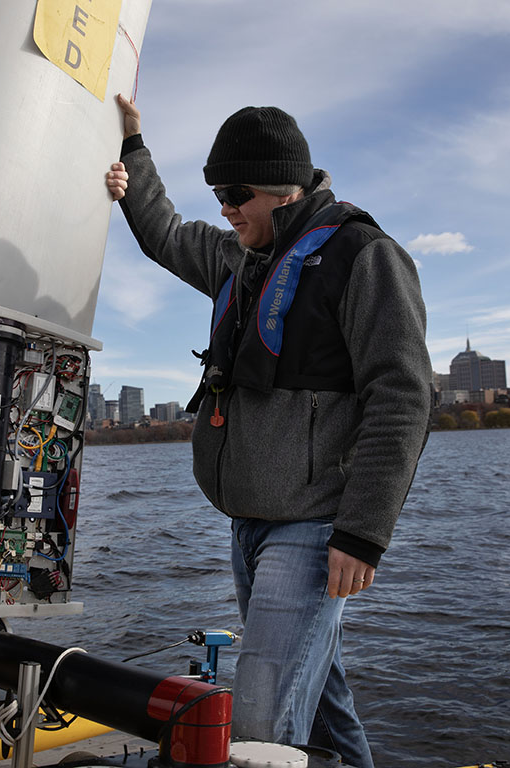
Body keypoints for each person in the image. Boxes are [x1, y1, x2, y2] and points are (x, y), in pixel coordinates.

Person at [106, 96, 430, 767]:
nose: (224, 206)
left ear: (283, 189)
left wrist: (363, 534)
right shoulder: (236, 258)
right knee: (322, 697)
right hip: (246, 525)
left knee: (258, 722)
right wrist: (134, 147)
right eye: (218, 192)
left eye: (235, 192)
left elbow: (401, 395)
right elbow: (164, 231)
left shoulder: (365, 257)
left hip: (312, 529)